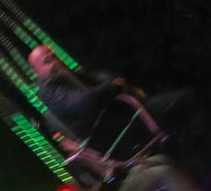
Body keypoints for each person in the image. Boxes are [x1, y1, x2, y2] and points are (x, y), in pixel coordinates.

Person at [29, 46, 208, 175]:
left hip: (129, 116)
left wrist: (113, 83)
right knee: (187, 98)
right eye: (47, 61)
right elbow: (83, 104)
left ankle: (194, 159)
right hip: (122, 130)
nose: (55, 61)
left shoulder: (70, 77)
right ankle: (202, 161)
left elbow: (102, 79)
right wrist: (112, 87)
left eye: (54, 55)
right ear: (37, 71)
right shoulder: (50, 91)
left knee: (177, 109)